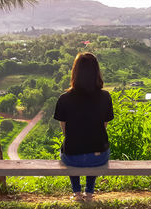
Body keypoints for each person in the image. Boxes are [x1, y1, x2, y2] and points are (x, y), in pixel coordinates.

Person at [54, 52, 113, 202]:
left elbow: (65, 131)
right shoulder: (105, 97)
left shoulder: (64, 98)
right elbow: (103, 127)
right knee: (94, 143)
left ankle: (77, 192)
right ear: (96, 72)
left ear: (75, 72)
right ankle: (90, 192)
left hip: (72, 158)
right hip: (98, 158)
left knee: (70, 145)